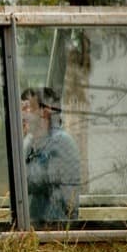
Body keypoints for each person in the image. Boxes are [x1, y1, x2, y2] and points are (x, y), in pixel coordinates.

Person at [21, 86, 81, 226]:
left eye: (27, 108)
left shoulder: (61, 141)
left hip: (57, 232)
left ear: (45, 112)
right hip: (33, 230)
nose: (22, 115)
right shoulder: (29, 142)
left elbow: (34, 180)